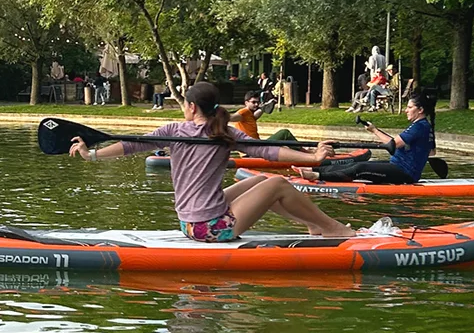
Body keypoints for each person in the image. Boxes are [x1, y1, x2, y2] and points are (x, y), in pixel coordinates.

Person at [71, 81, 355, 241]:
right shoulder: (224, 132)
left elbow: (131, 145)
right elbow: (268, 150)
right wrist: (313, 158)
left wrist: (92, 154)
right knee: (279, 183)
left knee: (260, 180)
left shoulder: (174, 132)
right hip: (212, 229)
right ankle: (332, 228)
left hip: (191, 224)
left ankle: (313, 225)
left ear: (191, 107)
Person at [295, 90, 436, 185]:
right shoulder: (425, 126)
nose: (406, 110)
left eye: (410, 107)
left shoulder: (419, 126)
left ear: (420, 110)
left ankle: (318, 176)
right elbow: (431, 152)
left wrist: (375, 131)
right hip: (399, 166)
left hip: (405, 173)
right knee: (351, 164)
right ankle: (314, 170)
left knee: (360, 167)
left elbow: (392, 145)